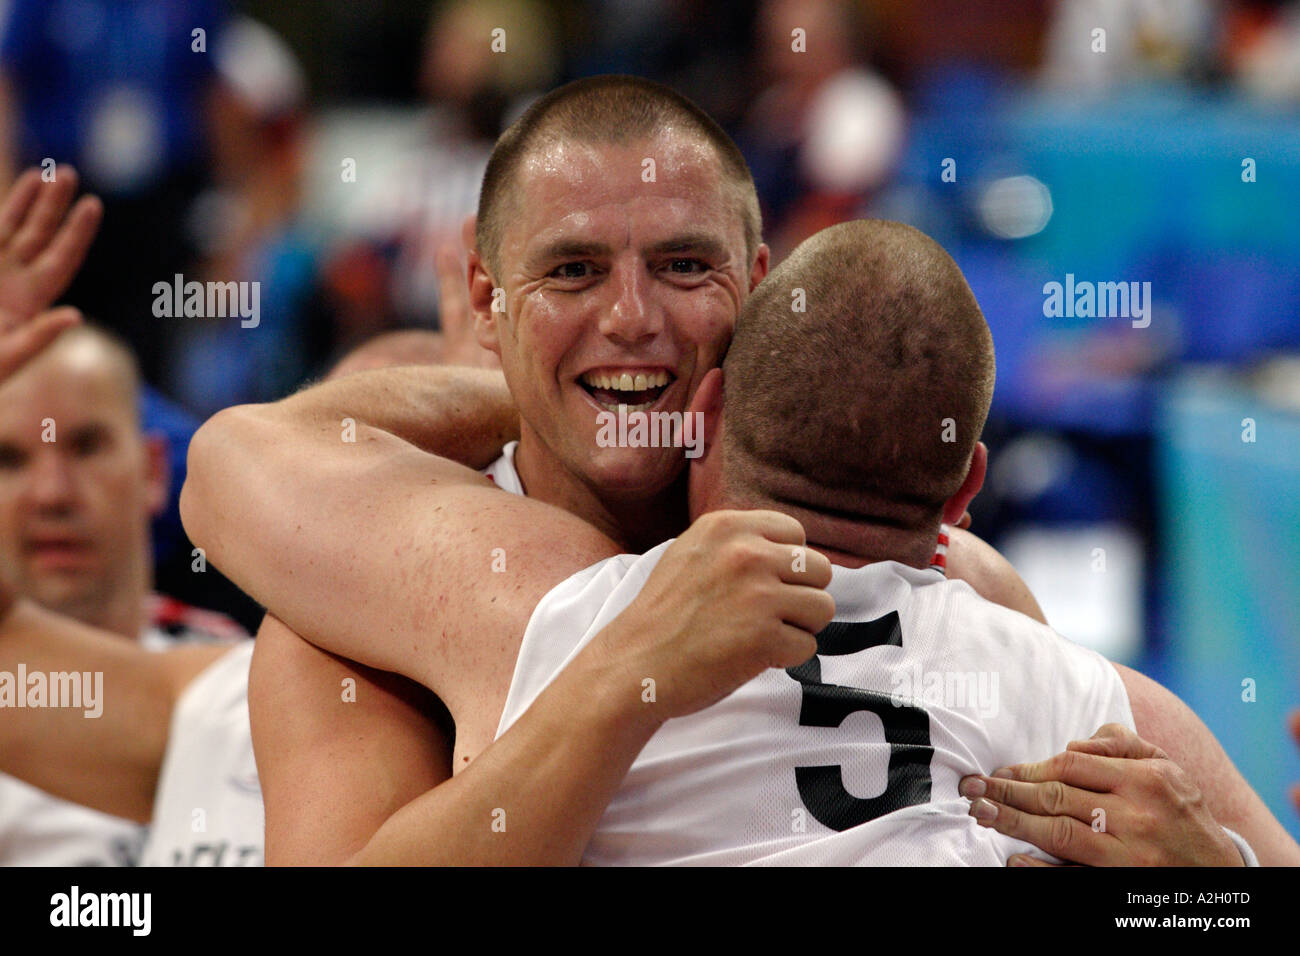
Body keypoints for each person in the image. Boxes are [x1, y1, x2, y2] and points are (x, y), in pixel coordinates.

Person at [183, 76, 1295, 864]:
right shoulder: (365, 600)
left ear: (759, 285)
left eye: (681, 266)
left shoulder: (961, 586)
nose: (631, 318)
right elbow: (228, 459)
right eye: (572, 272)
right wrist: (622, 667)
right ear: (487, 299)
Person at [0, 167, 255, 866]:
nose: (52, 492)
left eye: (86, 446)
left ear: (150, 471)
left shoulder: (248, 675)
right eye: (9, 459)